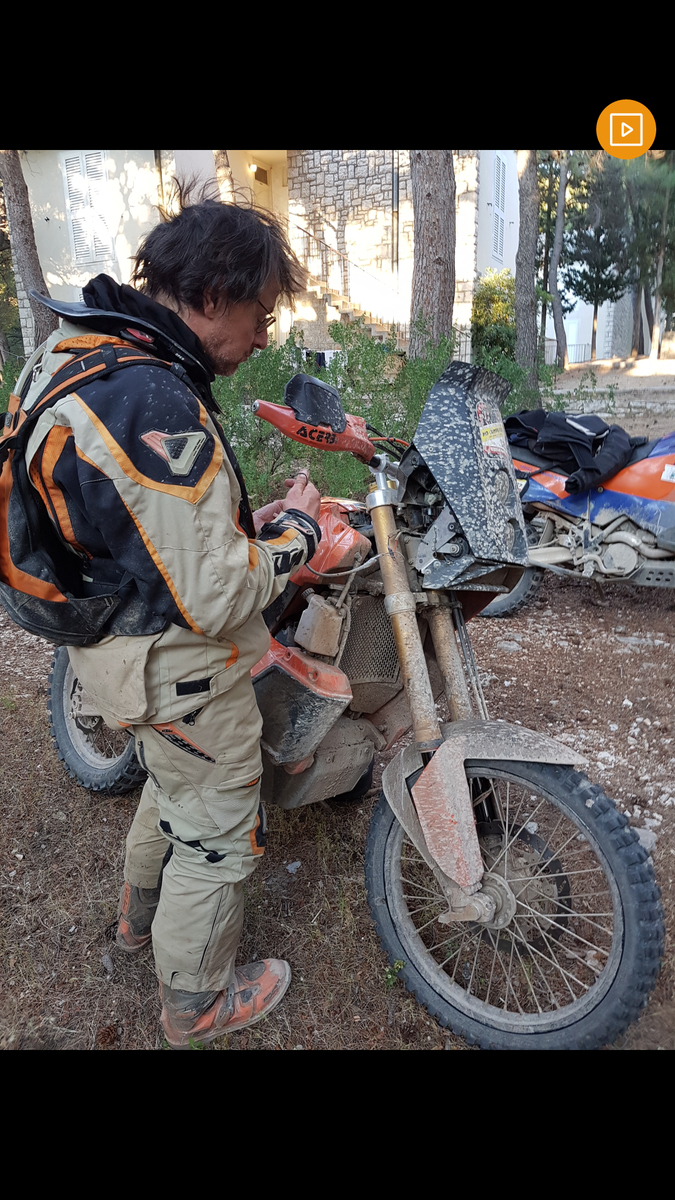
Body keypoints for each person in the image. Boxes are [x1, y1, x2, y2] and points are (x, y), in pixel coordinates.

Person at [28, 192, 321, 1048]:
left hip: (110, 639)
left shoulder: (80, 350)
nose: (262, 338)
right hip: (174, 662)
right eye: (260, 315)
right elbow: (217, 596)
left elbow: (133, 520)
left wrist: (238, 532)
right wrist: (298, 536)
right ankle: (196, 1005)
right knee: (218, 831)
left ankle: (136, 922)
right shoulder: (150, 400)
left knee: (170, 786)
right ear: (213, 294)